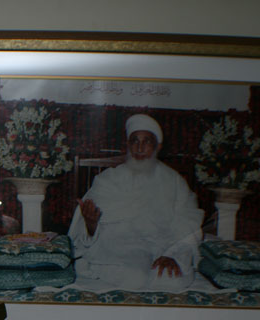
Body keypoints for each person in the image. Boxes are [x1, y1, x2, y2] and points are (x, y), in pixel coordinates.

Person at [68, 114, 205, 291]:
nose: (140, 148)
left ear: (158, 146)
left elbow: (188, 224)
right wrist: (91, 225)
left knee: (170, 280)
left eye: (146, 141)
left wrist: (172, 255)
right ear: (128, 145)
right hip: (118, 248)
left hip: (163, 247)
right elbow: (86, 236)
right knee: (136, 278)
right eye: (135, 141)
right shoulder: (108, 180)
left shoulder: (174, 181)